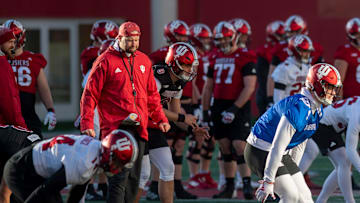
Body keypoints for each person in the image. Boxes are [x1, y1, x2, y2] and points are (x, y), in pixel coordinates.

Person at [80, 21, 169, 203]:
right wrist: (87, 122)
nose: (134, 44)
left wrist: (160, 118)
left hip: (139, 127)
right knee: (119, 177)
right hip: (115, 128)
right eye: (129, 40)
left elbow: (152, 94)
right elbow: (90, 94)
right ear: (119, 38)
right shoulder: (105, 60)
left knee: (135, 179)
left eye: (136, 40)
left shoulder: (143, 60)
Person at [244, 63, 342, 202]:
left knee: (305, 198)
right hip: (260, 150)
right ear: (317, 85)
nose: (333, 92)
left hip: (279, 152)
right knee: (290, 195)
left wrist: (291, 172)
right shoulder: (300, 108)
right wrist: (268, 181)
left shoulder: (316, 110)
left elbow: (299, 143)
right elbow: (277, 145)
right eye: (330, 87)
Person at [137, 42, 209, 203]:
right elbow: (150, 108)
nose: (191, 70)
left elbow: (175, 113)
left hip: (153, 126)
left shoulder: (178, 82)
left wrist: (193, 128)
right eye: (187, 65)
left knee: (167, 168)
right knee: (143, 173)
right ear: (174, 63)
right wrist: (183, 118)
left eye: (192, 66)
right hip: (136, 126)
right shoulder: (156, 77)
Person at [4, 129, 138, 203]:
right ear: (110, 153)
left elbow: (77, 191)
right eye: (119, 163)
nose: (119, 169)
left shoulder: (94, 152)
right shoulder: (83, 162)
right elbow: (45, 190)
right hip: (21, 171)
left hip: (31, 168)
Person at [202, 21, 257, 199]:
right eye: (219, 40)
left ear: (233, 37)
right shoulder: (214, 56)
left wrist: (234, 109)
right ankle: (229, 185)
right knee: (224, 146)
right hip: (218, 104)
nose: (221, 43)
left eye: (225, 39)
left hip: (238, 105)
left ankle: (247, 184)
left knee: (239, 145)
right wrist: (205, 111)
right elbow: (208, 86)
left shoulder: (245, 56)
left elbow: (249, 87)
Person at [4, 20, 56, 136]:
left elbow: (43, 87)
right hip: (5, 114)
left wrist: (50, 109)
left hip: (27, 114)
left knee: (34, 148)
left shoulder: (32, 59)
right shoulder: (2, 60)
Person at [309, 96, 360, 203]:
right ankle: (350, 201)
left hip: (333, 125)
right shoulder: (356, 117)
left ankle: (321, 201)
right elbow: (351, 149)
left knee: (341, 166)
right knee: (344, 161)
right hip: (322, 124)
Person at [256, 20, 285, 115]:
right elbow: (265, 77)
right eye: (280, 35)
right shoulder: (266, 51)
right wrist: (269, 97)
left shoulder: (283, 49)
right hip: (267, 91)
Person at [334, 17, 360, 99]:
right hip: (351, 101)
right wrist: (339, 101)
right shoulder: (345, 51)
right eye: (357, 34)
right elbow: (338, 81)